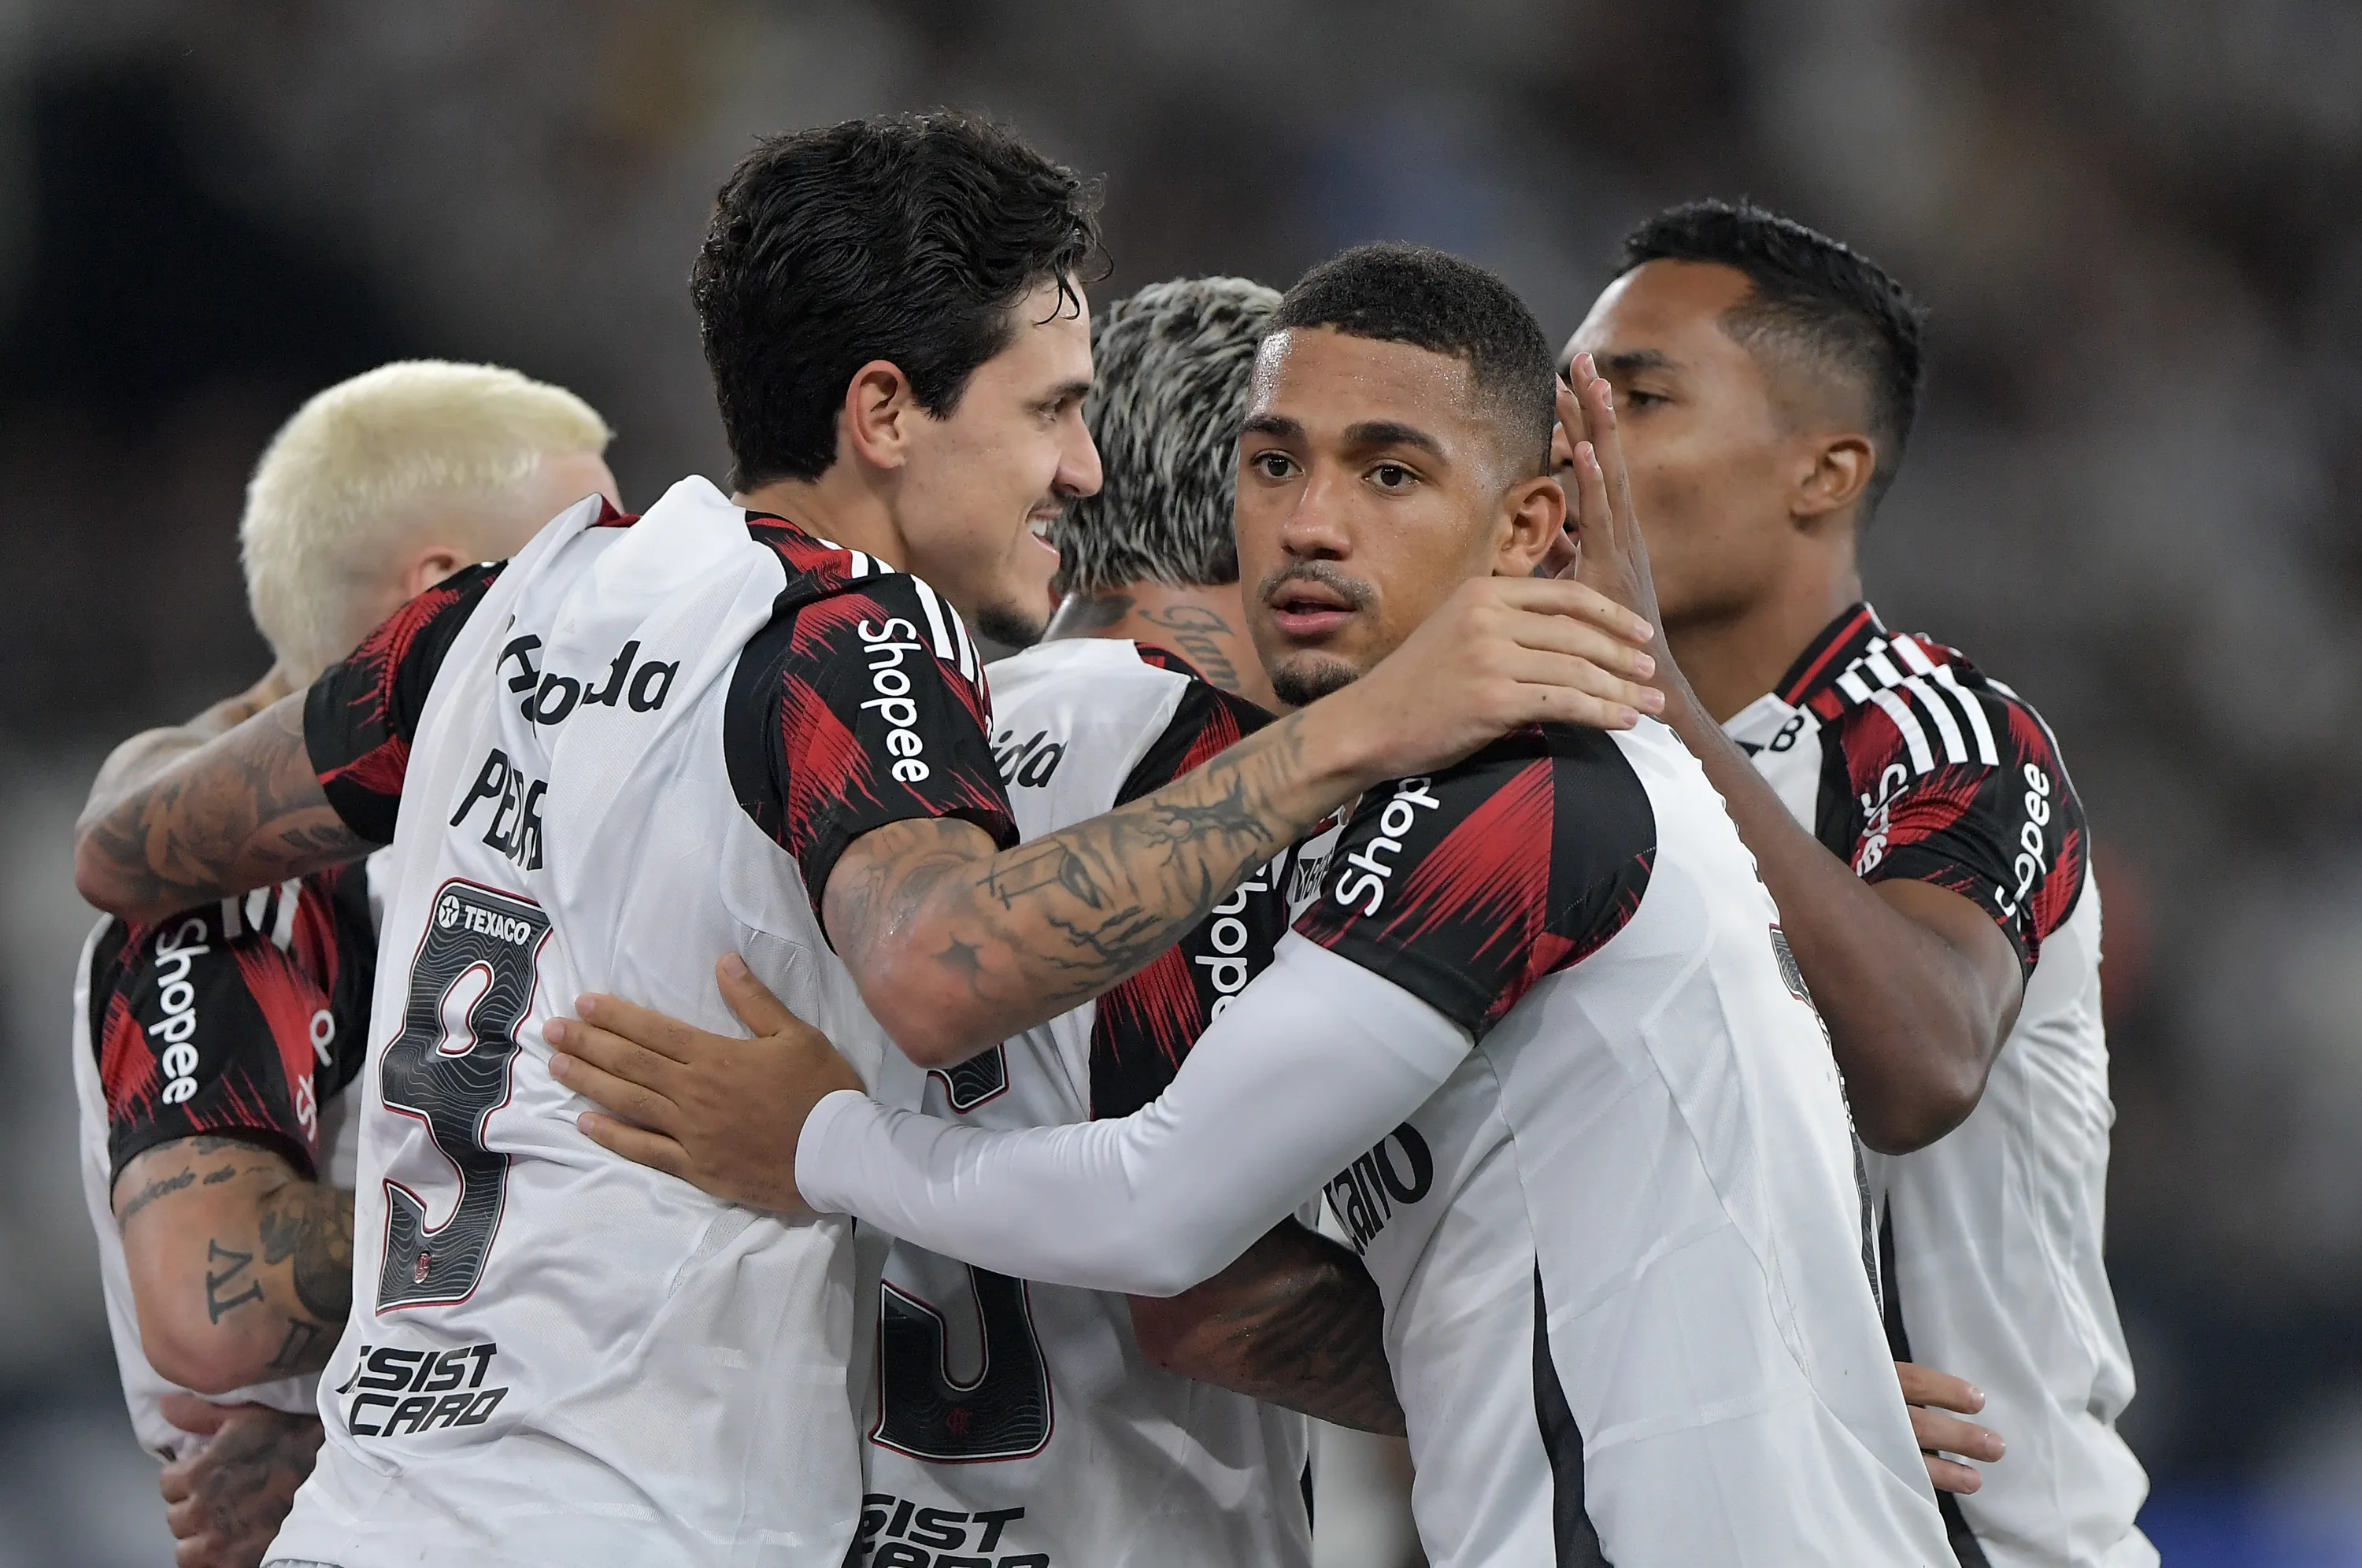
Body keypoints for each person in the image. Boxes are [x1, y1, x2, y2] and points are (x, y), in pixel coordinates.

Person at [72, 120, 1660, 1567]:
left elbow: (134, 842)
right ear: (886, 412)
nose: (1081, 468)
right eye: (1047, 410)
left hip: (386, 1505)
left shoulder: (500, 610)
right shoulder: (848, 632)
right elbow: (941, 969)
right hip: (649, 1520)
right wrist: (1362, 731)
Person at [549, 242, 1960, 1566]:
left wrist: (818, 1140)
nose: (1309, 523)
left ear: (1533, 522)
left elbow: (1164, 1217)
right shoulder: (1388, 797)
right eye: (1274, 463)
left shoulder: (1536, 800)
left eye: (1389, 473)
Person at [1553, 200, 2149, 1568]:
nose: (1575, 448)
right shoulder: (1549, 776)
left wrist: (1659, 706)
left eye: (1635, 399)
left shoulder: (1938, 739)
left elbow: (1922, 1063)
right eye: (1568, 404)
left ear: (1822, 473)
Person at [842, 274, 1407, 1567]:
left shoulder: (898, 745)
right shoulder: (1230, 780)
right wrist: (1584, 1387)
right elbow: (1218, 1307)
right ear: (1260, 504)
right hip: (1110, 1524)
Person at [68, 361, 620, 1566]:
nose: (633, 612)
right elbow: (213, 1300)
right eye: (593, 564)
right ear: (448, 597)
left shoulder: (515, 833)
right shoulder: (242, 888)